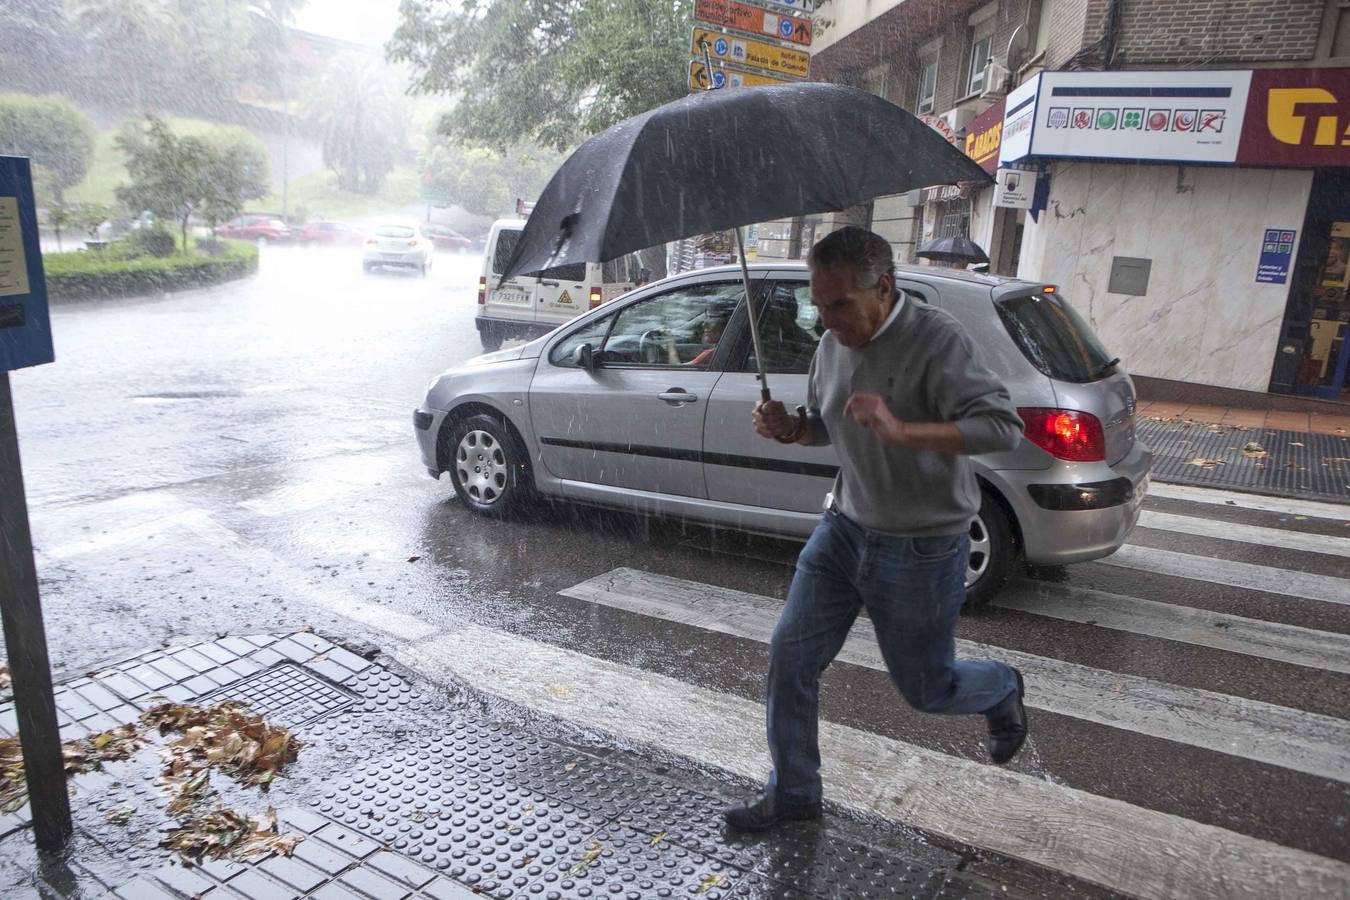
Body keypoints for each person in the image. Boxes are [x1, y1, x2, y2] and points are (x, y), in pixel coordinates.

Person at [724, 227, 1028, 833]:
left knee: (927, 688)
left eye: (840, 304)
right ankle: (795, 793)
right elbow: (826, 426)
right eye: (818, 305)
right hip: (843, 530)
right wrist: (788, 427)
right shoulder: (832, 346)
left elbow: (1003, 428)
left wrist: (905, 430)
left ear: (882, 287)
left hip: (921, 543)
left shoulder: (938, 341)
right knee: (791, 658)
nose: (828, 319)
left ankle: (1000, 688)